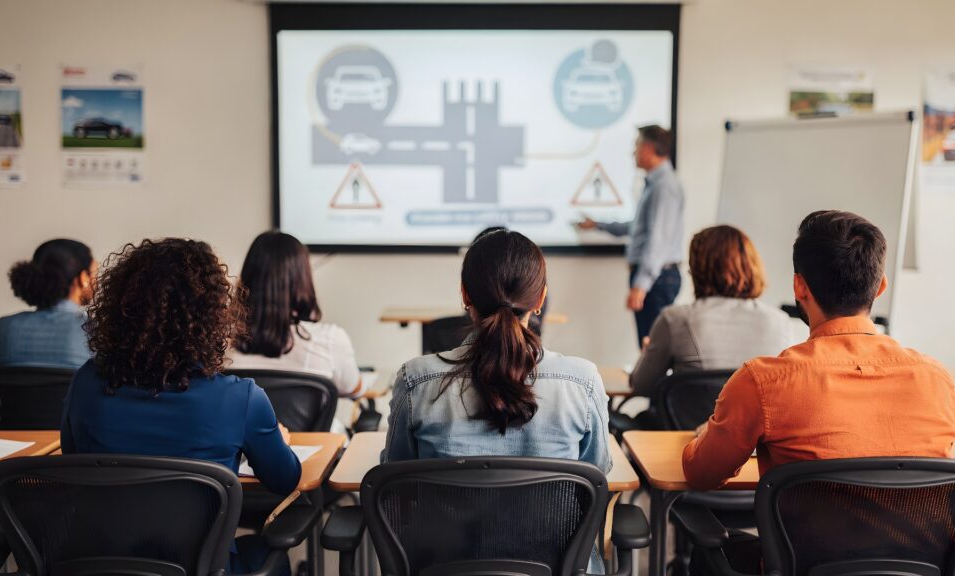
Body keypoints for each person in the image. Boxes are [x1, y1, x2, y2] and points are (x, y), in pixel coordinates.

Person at [682, 211, 955, 570]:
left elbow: (701, 475)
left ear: (799, 287)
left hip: (805, 566)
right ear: (880, 287)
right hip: (917, 567)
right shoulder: (936, 379)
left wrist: (709, 433)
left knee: (711, 552)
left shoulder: (763, 381)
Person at [61, 238, 300, 575]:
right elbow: (284, 480)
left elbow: (73, 460)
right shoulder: (241, 398)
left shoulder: (86, 382)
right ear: (214, 314)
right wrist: (278, 439)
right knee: (265, 554)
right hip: (201, 567)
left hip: (102, 564)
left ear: (122, 308)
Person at [382, 229, 612, 570]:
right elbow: (595, 476)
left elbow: (395, 482)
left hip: (442, 567)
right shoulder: (583, 383)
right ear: (540, 299)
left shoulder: (416, 381)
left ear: (464, 294)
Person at [629, 225, 792, 397]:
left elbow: (641, 385)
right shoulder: (780, 321)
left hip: (689, 424)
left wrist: (649, 352)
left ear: (696, 270)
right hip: (757, 424)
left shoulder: (674, 320)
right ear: (752, 266)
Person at [577, 125, 685, 345]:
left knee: (653, 349)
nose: (632, 152)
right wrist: (597, 224)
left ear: (647, 148)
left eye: (635, 146)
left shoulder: (664, 187)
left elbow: (658, 241)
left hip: (657, 280)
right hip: (657, 278)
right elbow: (638, 229)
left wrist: (641, 284)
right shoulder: (655, 185)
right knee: (649, 347)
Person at [229, 231, 363, 398]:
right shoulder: (330, 339)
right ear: (302, 279)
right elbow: (354, 389)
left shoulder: (219, 342)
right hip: (308, 426)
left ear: (248, 277)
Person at [0, 239, 96, 368]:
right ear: (83, 278)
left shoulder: (4, 328)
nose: (97, 280)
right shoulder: (93, 329)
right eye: (95, 273)